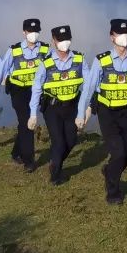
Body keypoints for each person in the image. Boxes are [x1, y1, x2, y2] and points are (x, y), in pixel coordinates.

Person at [79, 18, 127, 205]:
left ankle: (109, 170)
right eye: (119, 34)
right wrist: (82, 113)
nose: (124, 37)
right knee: (118, 153)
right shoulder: (102, 61)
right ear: (112, 37)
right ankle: (113, 191)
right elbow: (89, 89)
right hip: (107, 112)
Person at [26, 25, 85, 186]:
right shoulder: (46, 63)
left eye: (67, 39)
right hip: (52, 107)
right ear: (54, 41)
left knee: (71, 140)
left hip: (72, 106)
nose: (64, 43)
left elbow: (88, 84)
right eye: (60, 40)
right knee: (58, 141)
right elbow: (37, 87)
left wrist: (85, 109)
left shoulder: (79, 59)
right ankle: (56, 175)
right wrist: (33, 114)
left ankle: (55, 162)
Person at [0, 18, 48, 171]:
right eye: (30, 31)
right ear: (24, 32)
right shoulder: (14, 50)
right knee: (26, 120)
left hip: (36, 91)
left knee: (24, 124)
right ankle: (29, 161)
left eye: (36, 31)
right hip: (18, 90)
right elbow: (1, 72)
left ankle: (16, 152)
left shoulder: (45, 49)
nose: (33, 34)